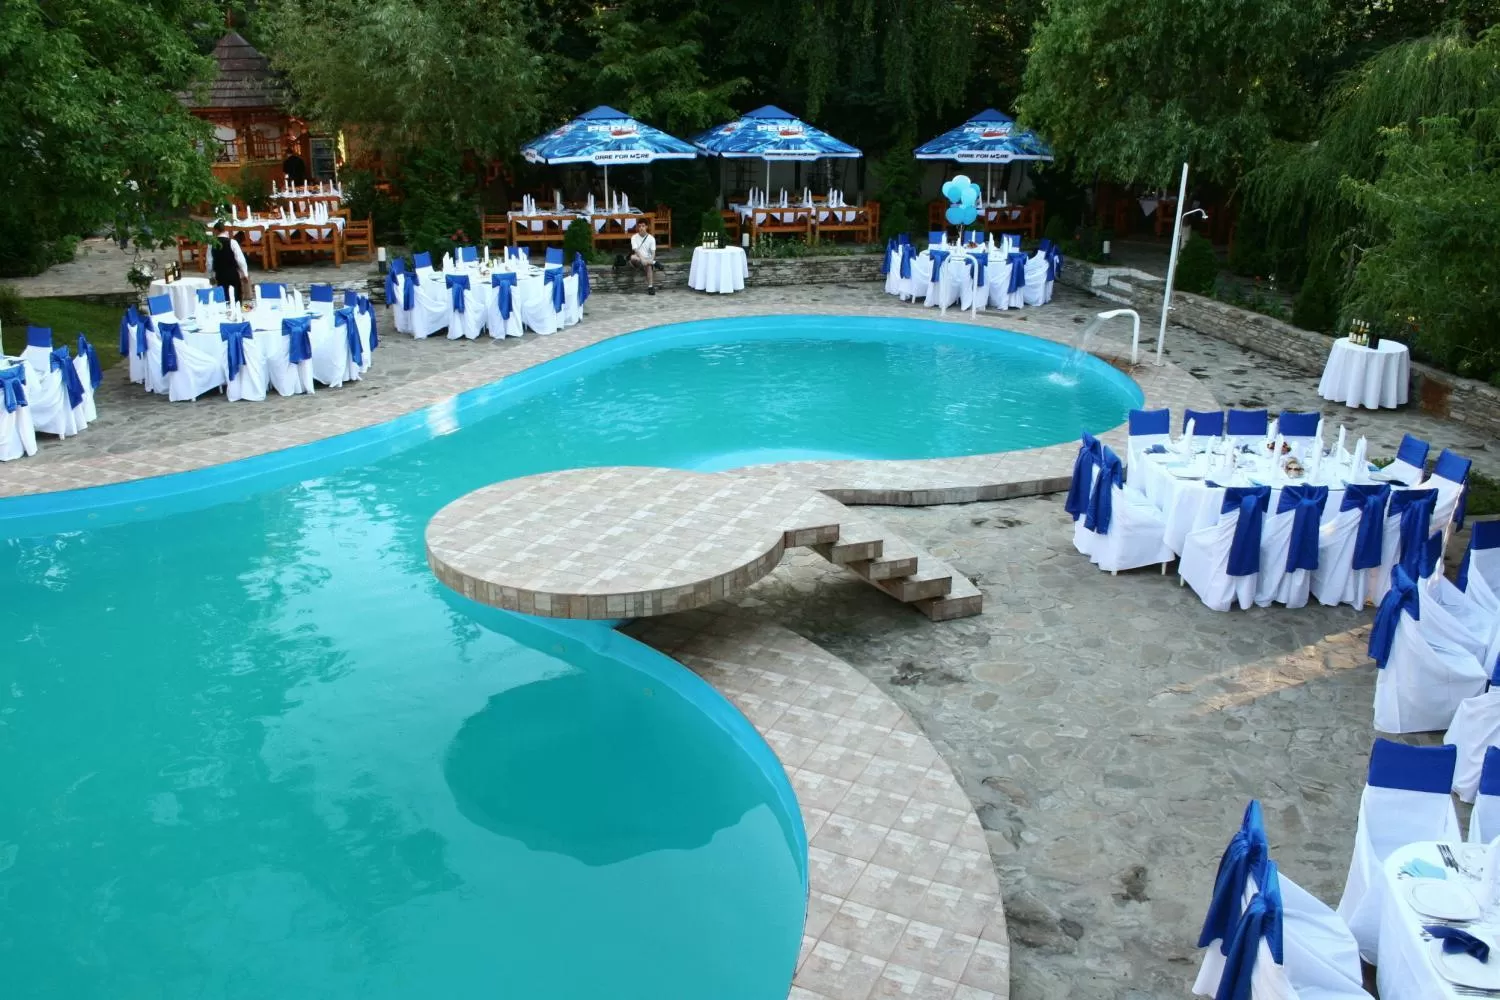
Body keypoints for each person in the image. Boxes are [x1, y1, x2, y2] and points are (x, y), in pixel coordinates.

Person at [206, 221, 248, 304]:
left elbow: (209, 262)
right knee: (236, 296)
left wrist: (211, 276)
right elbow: (240, 259)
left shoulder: (211, 244)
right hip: (233, 273)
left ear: (216, 231)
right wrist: (245, 273)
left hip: (220, 274)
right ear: (224, 230)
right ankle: (237, 310)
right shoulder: (232, 242)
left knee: (224, 297)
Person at [629, 220, 657, 295]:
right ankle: (654, 263)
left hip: (646, 260)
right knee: (632, 257)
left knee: (648, 266)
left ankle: (650, 287)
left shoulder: (651, 238)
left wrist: (650, 260)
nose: (641, 228)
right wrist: (643, 259)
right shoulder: (634, 237)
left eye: (643, 226)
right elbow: (636, 250)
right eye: (639, 226)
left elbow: (653, 253)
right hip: (637, 260)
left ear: (646, 227)